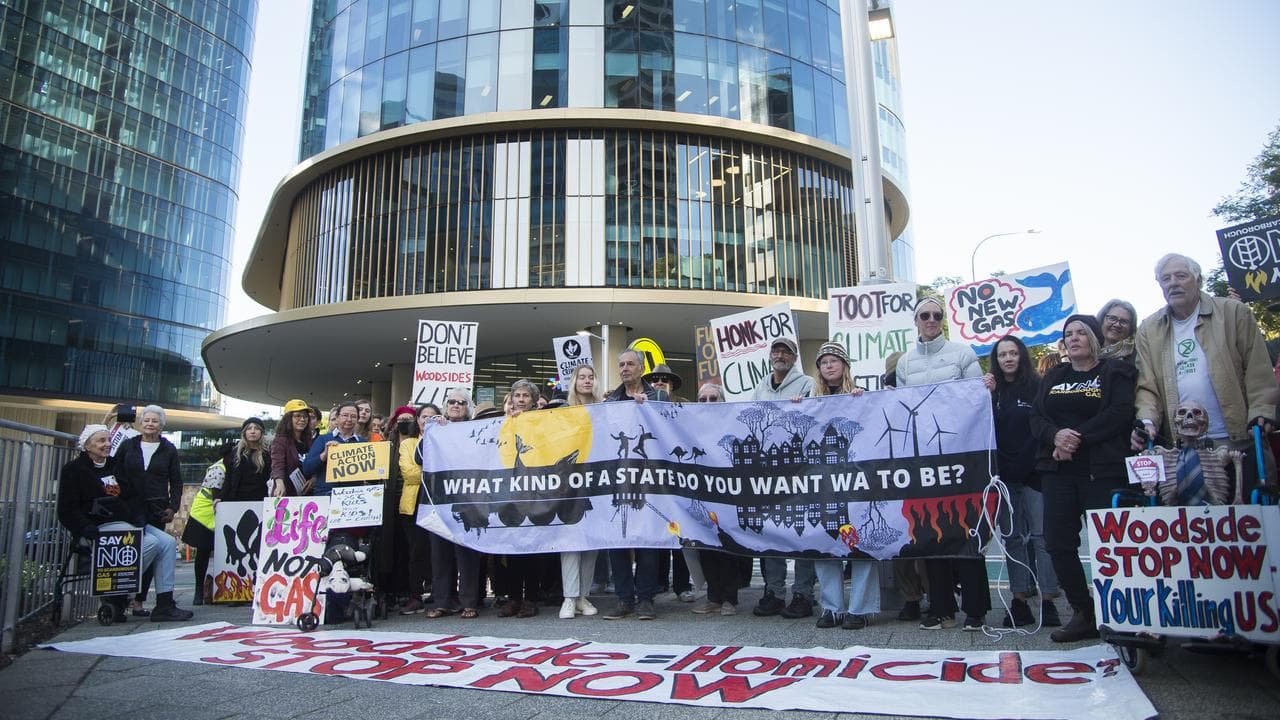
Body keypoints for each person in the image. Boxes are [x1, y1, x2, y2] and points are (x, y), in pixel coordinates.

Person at [1031, 315, 1137, 642]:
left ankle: (1123, 611)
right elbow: (1036, 416)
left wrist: (1075, 438)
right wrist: (1055, 436)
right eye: (1068, 334)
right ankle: (1083, 612)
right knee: (1057, 543)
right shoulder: (1054, 376)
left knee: (1111, 543)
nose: (1074, 338)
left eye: (1081, 332)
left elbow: (1120, 413)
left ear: (1094, 338)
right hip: (1058, 471)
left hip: (1101, 469)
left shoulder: (1115, 372)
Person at [1133, 253, 1278, 488]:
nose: (1173, 283)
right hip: (1183, 448)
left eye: (1181, 276)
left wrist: (1261, 411)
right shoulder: (1149, 329)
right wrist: (1147, 421)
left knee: (1246, 506)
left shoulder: (1233, 313)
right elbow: (1147, 387)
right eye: (1166, 279)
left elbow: (1257, 370)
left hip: (1238, 441)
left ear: (1198, 280)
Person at [897, 297, 989, 630]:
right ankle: (941, 608)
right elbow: (902, 407)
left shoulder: (963, 354)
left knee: (965, 527)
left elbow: (977, 399)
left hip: (960, 454)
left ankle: (975, 609)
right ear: (916, 321)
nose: (931, 319)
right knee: (929, 529)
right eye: (925, 315)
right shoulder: (905, 362)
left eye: (937, 315)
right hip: (924, 457)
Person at [58, 424, 193, 621]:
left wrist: (139, 516)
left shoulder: (115, 466)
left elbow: (132, 495)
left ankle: (164, 604)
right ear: (87, 446)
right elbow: (66, 509)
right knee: (150, 543)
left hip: (126, 522)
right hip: (97, 526)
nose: (107, 444)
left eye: (108, 440)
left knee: (168, 542)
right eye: (101, 441)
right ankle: (118, 593)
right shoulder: (74, 470)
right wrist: (84, 526)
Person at [983, 335, 1062, 628]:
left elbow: (1045, 425)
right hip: (1004, 477)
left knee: (1042, 537)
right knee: (1013, 538)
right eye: (1002, 354)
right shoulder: (992, 391)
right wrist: (989, 396)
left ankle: (1049, 599)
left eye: (1013, 353)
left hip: (1035, 473)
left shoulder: (1037, 386)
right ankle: (1019, 599)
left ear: (1021, 356)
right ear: (996, 360)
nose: (1008, 359)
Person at [810, 342, 880, 630]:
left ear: (845, 365)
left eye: (834, 360)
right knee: (824, 542)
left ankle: (860, 608)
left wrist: (866, 401)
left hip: (858, 482)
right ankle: (831, 607)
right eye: (823, 362)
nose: (829, 366)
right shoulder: (812, 402)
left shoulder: (862, 396)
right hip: (824, 483)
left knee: (861, 542)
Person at [749, 337, 817, 620]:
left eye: (785, 352)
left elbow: (814, 419)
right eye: (776, 351)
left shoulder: (807, 384)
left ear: (794, 357)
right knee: (772, 531)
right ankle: (774, 592)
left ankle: (803, 593)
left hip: (799, 469)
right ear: (770, 356)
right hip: (768, 470)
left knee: (801, 529)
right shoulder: (760, 387)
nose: (780, 355)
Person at [602, 349, 670, 620]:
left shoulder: (658, 397)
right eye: (621, 364)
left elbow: (670, 429)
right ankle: (624, 599)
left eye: (630, 364)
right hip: (619, 480)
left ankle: (645, 599)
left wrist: (650, 409)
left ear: (641, 369)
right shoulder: (610, 401)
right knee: (617, 539)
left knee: (648, 540)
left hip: (649, 480)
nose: (625, 368)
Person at [115, 404, 183, 616]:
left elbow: (176, 481)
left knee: (155, 552)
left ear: (161, 425)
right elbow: (116, 471)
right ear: (140, 423)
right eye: (147, 420)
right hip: (129, 506)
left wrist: (173, 507)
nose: (150, 424)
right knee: (133, 550)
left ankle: (138, 601)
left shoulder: (168, 449)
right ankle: (122, 596)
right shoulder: (128, 446)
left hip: (156, 508)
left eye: (155, 421)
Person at [424, 392, 485, 619]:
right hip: (439, 501)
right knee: (440, 554)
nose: (456, 405)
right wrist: (431, 430)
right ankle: (442, 602)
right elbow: (420, 458)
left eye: (462, 402)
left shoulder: (476, 430)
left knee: (467, 553)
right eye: (452, 402)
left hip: (468, 501)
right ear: (445, 406)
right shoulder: (435, 429)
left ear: (468, 408)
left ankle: (469, 602)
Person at [690, 382, 743, 616]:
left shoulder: (733, 424)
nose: (708, 403)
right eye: (703, 400)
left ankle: (729, 598)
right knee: (706, 545)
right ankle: (713, 597)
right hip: (701, 491)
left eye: (713, 398)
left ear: (722, 401)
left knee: (728, 544)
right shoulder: (689, 425)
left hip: (728, 493)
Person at [559, 365, 601, 619]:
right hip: (569, 484)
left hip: (596, 481)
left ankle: (582, 596)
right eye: (582, 377)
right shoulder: (563, 412)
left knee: (591, 542)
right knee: (570, 540)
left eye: (590, 377)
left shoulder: (605, 410)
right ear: (574, 382)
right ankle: (569, 597)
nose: (586, 381)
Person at [398, 404, 435, 614]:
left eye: (432, 417)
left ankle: (439, 592)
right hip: (413, 505)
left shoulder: (444, 442)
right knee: (416, 552)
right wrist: (434, 472)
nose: (427, 421)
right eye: (423, 417)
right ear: (417, 420)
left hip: (437, 504)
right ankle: (415, 595)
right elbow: (409, 474)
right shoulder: (407, 444)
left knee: (437, 552)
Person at [180, 457, 225, 605]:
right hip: (204, 515)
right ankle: (199, 590)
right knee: (203, 553)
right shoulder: (219, 468)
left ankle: (223, 590)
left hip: (222, 513)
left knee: (222, 554)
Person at [302, 401, 364, 496]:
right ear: (337, 417)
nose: (349, 419)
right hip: (326, 494)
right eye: (345, 415)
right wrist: (324, 455)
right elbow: (307, 468)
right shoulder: (323, 439)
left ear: (357, 419)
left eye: (353, 416)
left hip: (353, 496)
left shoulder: (362, 443)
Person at [216, 418, 271, 504]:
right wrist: (221, 497)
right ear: (244, 432)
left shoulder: (268, 453)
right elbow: (229, 478)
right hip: (237, 499)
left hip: (261, 499)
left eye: (256, 428)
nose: (252, 431)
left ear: (262, 432)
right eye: (249, 428)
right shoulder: (235, 453)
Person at [270, 399, 315, 496]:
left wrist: (314, 479)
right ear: (288, 418)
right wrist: (279, 483)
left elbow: (316, 464)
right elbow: (277, 465)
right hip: (286, 494)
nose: (302, 419)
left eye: (305, 416)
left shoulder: (310, 441)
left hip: (308, 495)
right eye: (297, 416)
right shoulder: (280, 441)